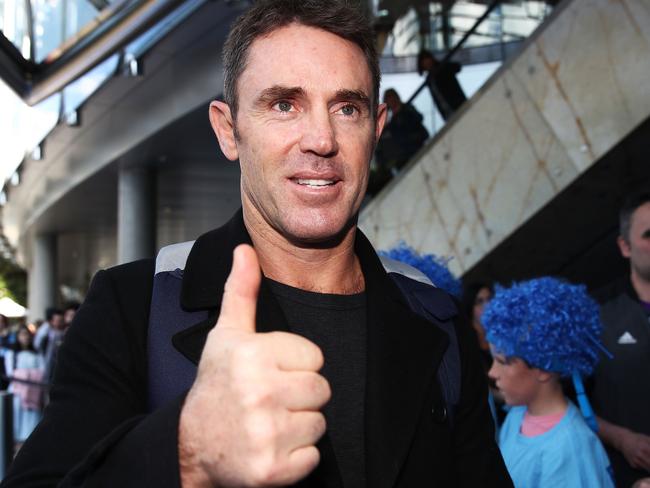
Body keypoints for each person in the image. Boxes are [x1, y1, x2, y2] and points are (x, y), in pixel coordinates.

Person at [2, 1, 512, 486]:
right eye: (285, 104)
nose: (321, 139)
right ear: (229, 131)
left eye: (347, 108)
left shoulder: (436, 319)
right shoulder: (133, 306)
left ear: (377, 130)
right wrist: (187, 455)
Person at [483, 277, 615, 488]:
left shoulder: (568, 449)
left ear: (543, 369)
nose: (492, 372)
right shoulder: (517, 416)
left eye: (502, 362)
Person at [592, 191, 650, 487]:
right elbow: (568, 400)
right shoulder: (597, 314)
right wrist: (622, 439)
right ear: (625, 246)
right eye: (649, 234)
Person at [4, 326, 45, 445]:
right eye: (22, 335)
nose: (25, 337)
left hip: (33, 390)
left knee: (32, 417)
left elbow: (42, 370)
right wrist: (28, 374)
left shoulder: (37, 352)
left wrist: (27, 375)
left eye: (27, 334)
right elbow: (11, 372)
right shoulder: (12, 353)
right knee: (17, 416)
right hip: (18, 390)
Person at [374, 88, 428, 175]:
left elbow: (418, 120)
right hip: (404, 161)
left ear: (397, 97)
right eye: (389, 99)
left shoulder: (407, 109)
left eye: (392, 97)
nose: (392, 101)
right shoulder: (390, 123)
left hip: (418, 150)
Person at [417, 50, 467, 121]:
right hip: (446, 111)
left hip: (458, 105)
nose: (426, 63)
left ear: (431, 59)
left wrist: (442, 66)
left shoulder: (442, 68)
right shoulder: (429, 79)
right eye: (424, 61)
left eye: (427, 59)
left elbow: (457, 67)